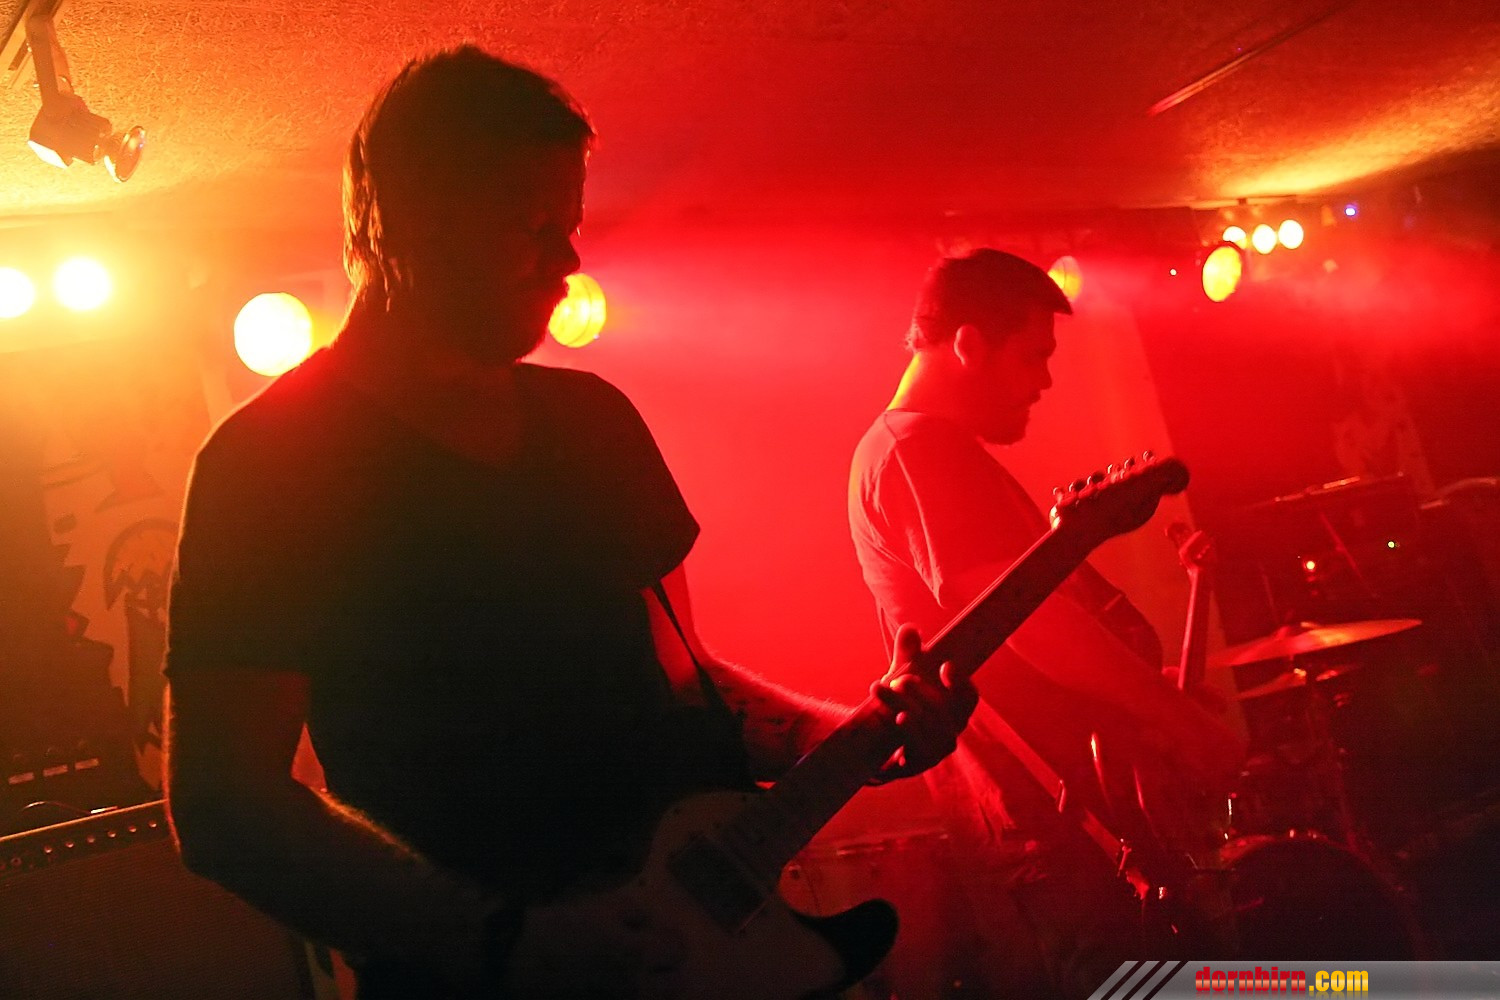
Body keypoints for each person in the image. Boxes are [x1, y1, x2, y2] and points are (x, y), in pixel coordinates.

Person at [163, 47, 976, 999]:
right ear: (402, 221)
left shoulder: (594, 421)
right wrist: (507, 942)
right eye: (530, 225)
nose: (567, 259)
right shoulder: (270, 463)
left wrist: (857, 737)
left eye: (571, 224)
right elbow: (224, 804)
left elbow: (686, 682)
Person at [847, 249, 1243, 998]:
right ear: (969, 345)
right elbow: (1031, 624)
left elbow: (1014, 634)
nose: (1045, 381)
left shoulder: (920, 451)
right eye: (1034, 356)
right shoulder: (916, 450)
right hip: (1059, 821)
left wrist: (1141, 690)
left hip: (1070, 816)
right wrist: (1183, 723)